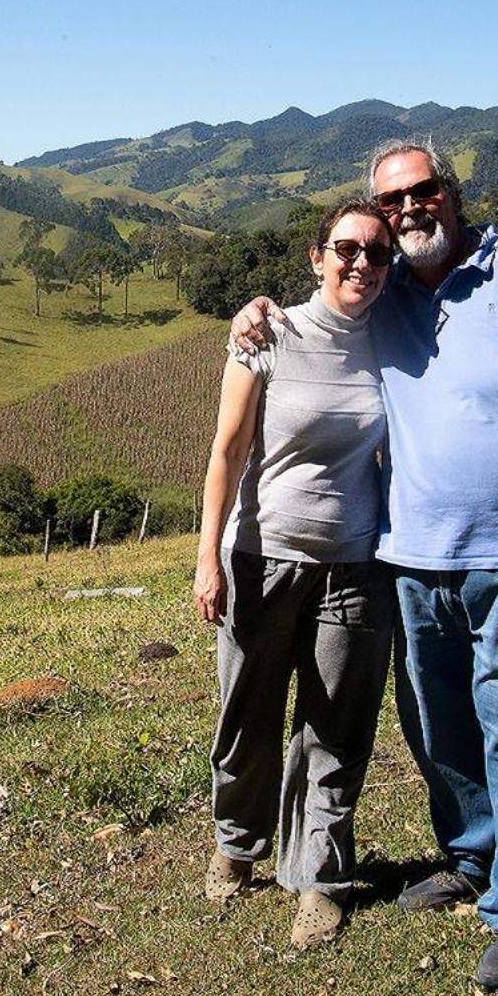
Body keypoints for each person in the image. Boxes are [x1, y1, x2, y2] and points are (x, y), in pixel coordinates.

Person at [230, 140, 498, 992]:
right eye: (391, 204)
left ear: (450, 193)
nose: (408, 212)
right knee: (438, 724)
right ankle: (474, 854)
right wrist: (252, 314)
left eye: (423, 192)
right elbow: (322, 313)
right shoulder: (388, 294)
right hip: (415, 555)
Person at [195, 198, 395, 949]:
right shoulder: (267, 333)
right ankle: (236, 841)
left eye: (376, 253)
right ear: (316, 257)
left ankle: (320, 876)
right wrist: (207, 555)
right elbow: (228, 449)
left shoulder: (396, 334)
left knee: (335, 727)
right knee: (245, 718)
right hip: (261, 557)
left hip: (356, 564)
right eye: (345, 249)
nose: (361, 264)